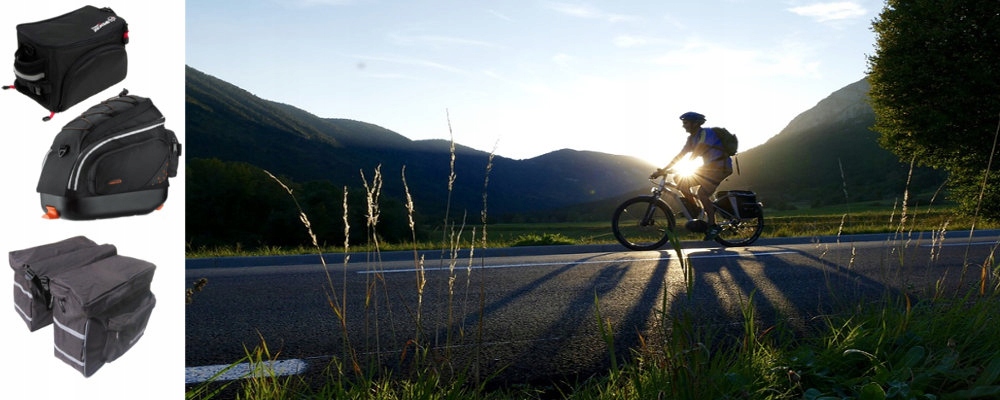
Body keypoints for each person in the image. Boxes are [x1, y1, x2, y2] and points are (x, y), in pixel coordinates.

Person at [650, 111, 734, 240]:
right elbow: (680, 155)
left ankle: (713, 225)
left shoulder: (706, 133)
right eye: (683, 123)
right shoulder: (691, 139)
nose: (683, 126)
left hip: (721, 167)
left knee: (702, 194)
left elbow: (698, 150)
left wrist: (684, 166)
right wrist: (663, 170)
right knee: (680, 181)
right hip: (709, 168)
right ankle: (695, 210)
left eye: (686, 123)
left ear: (695, 123)